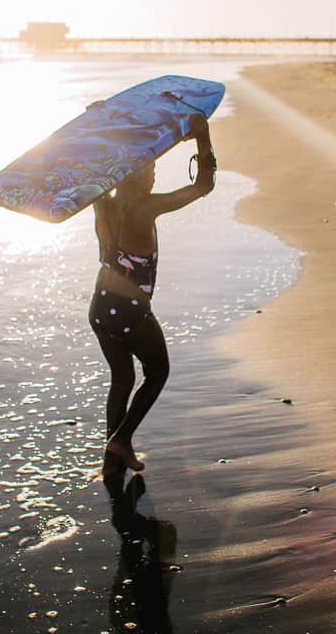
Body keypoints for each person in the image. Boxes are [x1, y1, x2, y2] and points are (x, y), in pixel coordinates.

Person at [89, 115, 216, 474]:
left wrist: (100, 128)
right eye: (151, 170)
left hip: (100, 307)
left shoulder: (103, 200)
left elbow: (99, 165)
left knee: (122, 378)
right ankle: (121, 440)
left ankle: (112, 460)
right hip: (130, 310)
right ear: (137, 175)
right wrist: (202, 138)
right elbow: (203, 186)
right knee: (158, 371)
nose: (155, 175)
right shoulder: (145, 208)